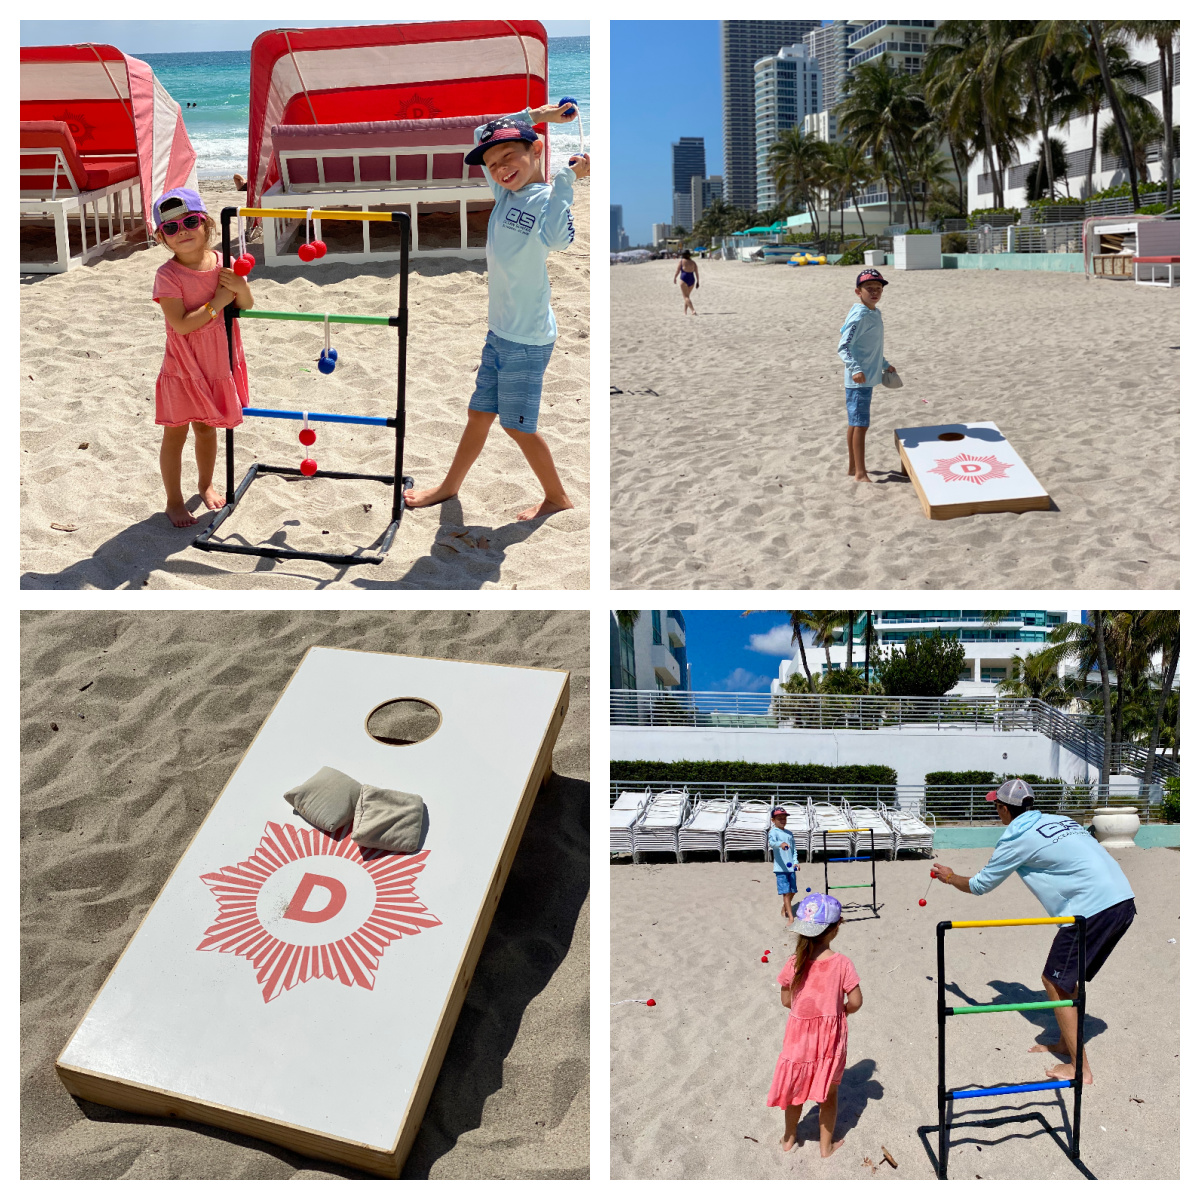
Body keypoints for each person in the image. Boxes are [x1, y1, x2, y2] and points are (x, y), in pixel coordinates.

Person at [403, 105, 587, 521]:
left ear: (536, 149)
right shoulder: (506, 193)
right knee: (479, 413)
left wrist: (566, 180)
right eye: (492, 163)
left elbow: (559, 241)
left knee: (517, 426)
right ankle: (449, 487)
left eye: (510, 157)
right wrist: (539, 113)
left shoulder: (544, 198)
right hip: (500, 333)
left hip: (528, 339)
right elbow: (480, 130)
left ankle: (557, 497)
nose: (501, 168)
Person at [932, 778, 1136, 1084]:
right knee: (1068, 980)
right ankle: (1066, 1045)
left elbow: (979, 885)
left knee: (1054, 982)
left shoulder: (1017, 837)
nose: (996, 810)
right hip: (1122, 900)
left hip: (1092, 910)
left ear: (1003, 808)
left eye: (996, 805)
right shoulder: (1060, 820)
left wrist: (949, 877)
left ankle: (1080, 1069)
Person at [150, 188, 253, 527]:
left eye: (190, 222)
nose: (182, 232)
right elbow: (180, 324)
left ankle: (205, 483)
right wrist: (219, 300)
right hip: (183, 366)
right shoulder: (168, 275)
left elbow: (245, 304)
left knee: (207, 430)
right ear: (161, 236)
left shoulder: (223, 263)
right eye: (171, 228)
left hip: (216, 362)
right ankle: (174, 500)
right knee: (176, 433)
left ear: (206, 223)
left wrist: (240, 286)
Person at [768, 894, 863, 1157]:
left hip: (799, 1037)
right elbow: (856, 1001)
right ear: (836, 927)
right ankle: (825, 1147)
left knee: (794, 1090)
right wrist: (840, 1011)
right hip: (829, 1039)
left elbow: (786, 1000)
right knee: (829, 1095)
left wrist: (804, 1011)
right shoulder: (842, 963)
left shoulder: (794, 961)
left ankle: (789, 1138)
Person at [836, 267, 898, 483]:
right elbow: (844, 347)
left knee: (855, 422)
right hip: (858, 380)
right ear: (858, 291)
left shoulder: (874, 312)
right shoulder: (860, 315)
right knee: (860, 424)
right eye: (869, 288)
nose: (874, 292)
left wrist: (885, 365)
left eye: (878, 288)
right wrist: (856, 369)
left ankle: (853, 468)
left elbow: (872, 348)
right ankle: (860, 473)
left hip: (869, 376)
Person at [768, 806, 799, 921]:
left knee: (793, 891)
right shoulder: (773, 832)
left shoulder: (789, 833)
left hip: (791, 868)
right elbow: (772, 843)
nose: (782, 820)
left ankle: (784, 907)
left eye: (784, 818)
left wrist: (795, 862)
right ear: (773, 820)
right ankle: (791, 917)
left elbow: (794, 850)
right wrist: (780, 844)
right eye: (779, 818)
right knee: (785, 893)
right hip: (780, 869)